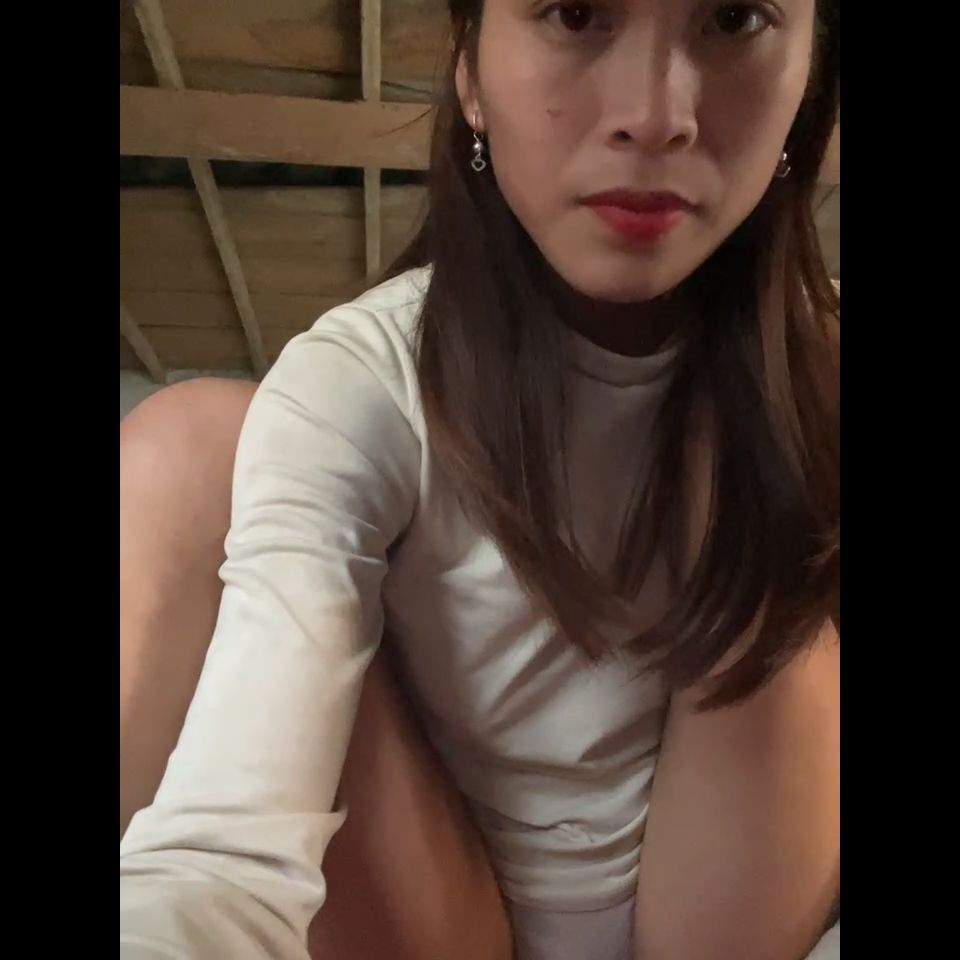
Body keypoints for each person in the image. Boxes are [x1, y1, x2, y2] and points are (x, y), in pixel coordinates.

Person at [119, 1, 840, 957]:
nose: (656, 115)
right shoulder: (363, 380)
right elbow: (231, 836)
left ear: (808, 79)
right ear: (470, 74)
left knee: (782, 435)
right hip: (444, 919)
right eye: (575, 12)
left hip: (716, 911)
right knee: (191, 445)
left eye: (735, 17)